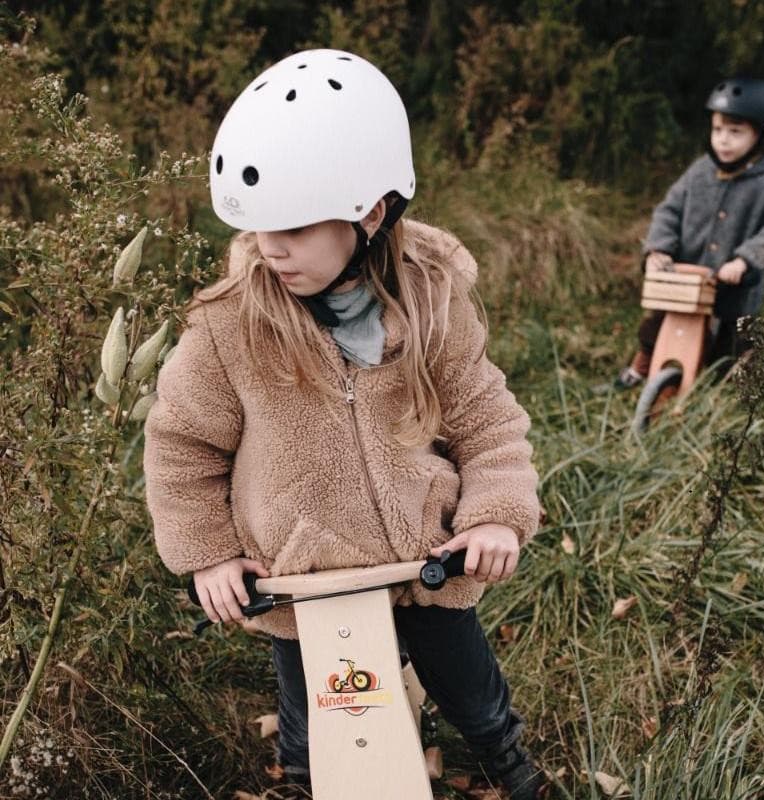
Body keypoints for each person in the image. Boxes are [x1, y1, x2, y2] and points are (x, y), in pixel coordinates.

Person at [143, 49, 544, 798]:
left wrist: (495, 518)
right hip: (308, 582)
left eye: (294, 226)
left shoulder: (430, 302)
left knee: (473, 694)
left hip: (429, 563)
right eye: (261, 227)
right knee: (316, 723)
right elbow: (182, 446)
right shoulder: (232, 325)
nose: (271, 248)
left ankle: (506, 765)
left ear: (369, 210)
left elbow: (487, 421)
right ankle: (303, 781)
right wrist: (208, 555)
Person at [616, 77, 764, 388]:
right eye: (717, 130)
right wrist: (659, 249)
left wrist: (744, 261)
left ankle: (731, 391)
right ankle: (642, 368)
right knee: (655, 327)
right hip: (687, 278)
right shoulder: (700, 171)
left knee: (732, 344)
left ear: (762, 134)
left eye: (735, 132)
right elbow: (669, 210)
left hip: (734, 286)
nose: (723, 140)